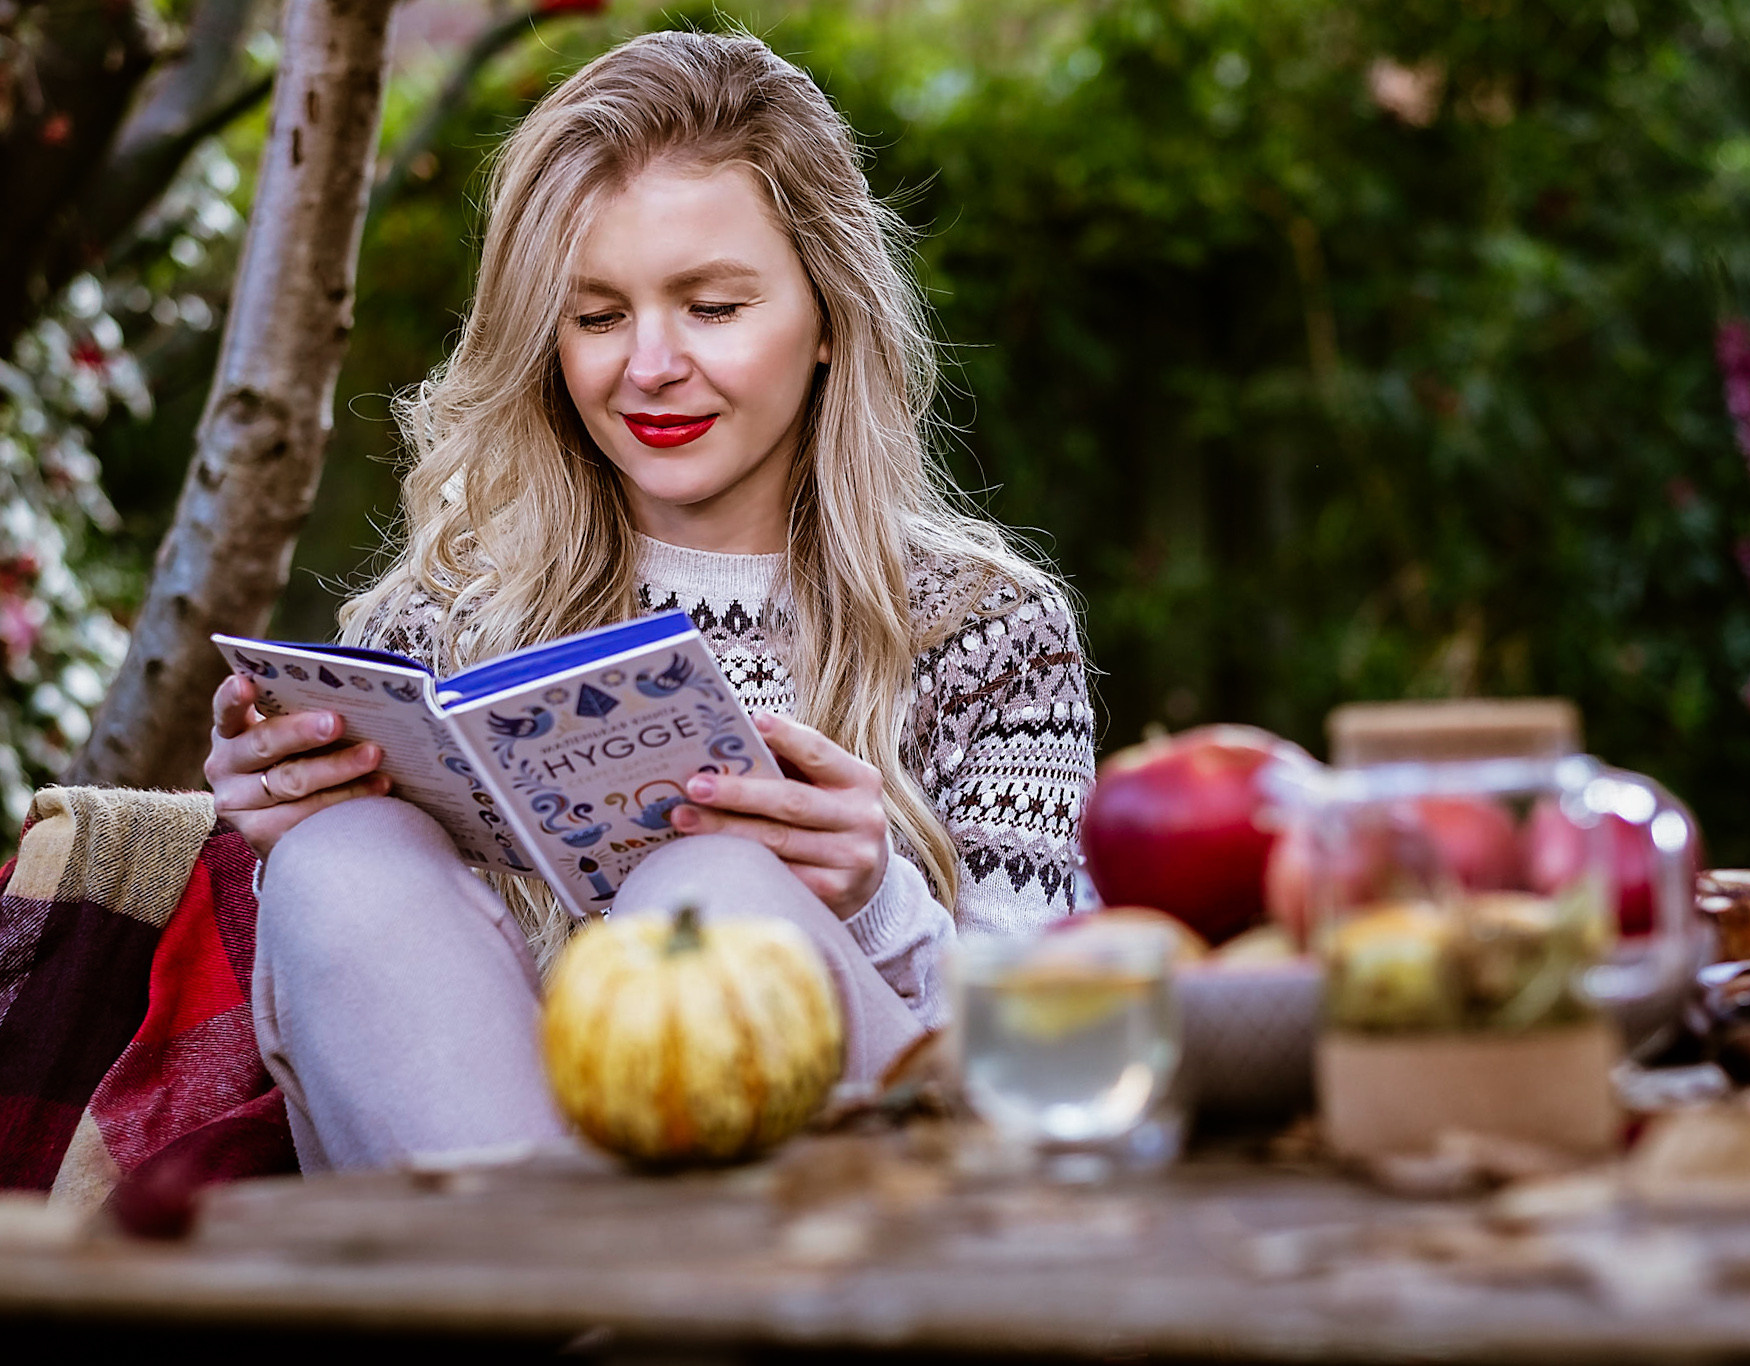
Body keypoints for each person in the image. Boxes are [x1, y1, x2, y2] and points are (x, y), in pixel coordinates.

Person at [200, 29, 1095, 1171]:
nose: (649, 366)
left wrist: (872, 898)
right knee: (343, 859)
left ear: (827, 319)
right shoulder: (434, 621)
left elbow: (1052, 1071)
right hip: (508, 1205)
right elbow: (383, 1011)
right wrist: (291, 814)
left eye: (712, 307)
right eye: (598, 315)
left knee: (708, 882)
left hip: (853, 1221)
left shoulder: (989, 632)